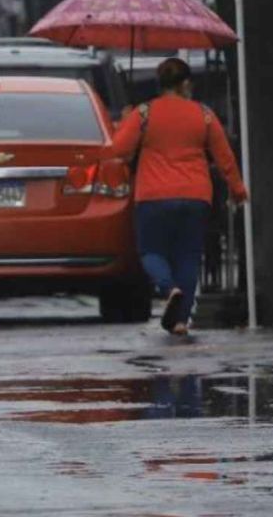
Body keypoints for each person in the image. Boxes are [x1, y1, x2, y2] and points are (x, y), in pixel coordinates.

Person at [107, 58, 248, 336]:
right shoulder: (204, 114)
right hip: (195, 197)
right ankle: (181, 321)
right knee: (189, 257)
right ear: (185, 84)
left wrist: (124, 122)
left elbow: (119, 150)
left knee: (151, 252)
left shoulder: (143, 113)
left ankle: (168, 287)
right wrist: (238, 189)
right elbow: (224, 158)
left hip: (153, 197)